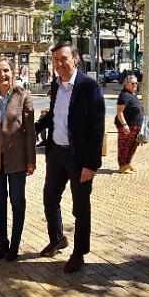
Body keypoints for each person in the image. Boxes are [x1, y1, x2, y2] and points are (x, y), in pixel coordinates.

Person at [36, 41, 105, 273]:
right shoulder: (56, 86)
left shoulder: (89, 87)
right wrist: (35, 126)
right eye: (55, 60)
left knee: (80, 207)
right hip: (56, 153)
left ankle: (79, 252)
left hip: (79, 158)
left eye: (63, 58)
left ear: (75, 59)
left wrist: (91, 164)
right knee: (49, 200)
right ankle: (57, 239)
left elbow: (97, 128)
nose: (59, 64)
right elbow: (55, 115)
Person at [0, 56, 36, 262]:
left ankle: (15, 243)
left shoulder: (23, 96)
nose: (2, 75)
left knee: (17, 200)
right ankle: (2, 242)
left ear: (12, 73)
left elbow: (30, 132)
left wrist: (32, 160)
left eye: (6, 71)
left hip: (17, 158)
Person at [115, 74, 144, 173]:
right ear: (126, 84)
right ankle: (122, 165)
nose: (135, 85)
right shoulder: (124, 95)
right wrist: (124, 125)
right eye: (133, 83)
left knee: (132, 146)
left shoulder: (132, 94)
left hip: (135, 126)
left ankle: (127, 163)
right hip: (127, 127)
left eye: (136, 83)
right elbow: (119, 112)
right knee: (124, 146)